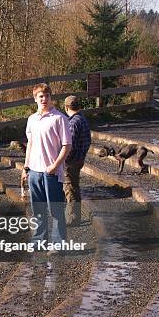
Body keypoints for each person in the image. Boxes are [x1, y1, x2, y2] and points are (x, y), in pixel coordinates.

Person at [21, 83, 71, 252]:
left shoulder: (59, 118)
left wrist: (55, 166)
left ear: (51, 98)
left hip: (51, 172)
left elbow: (66, 145)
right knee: (38, 210)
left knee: (56, 210)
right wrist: (26, 167)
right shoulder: (31, 119)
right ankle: (39, 241)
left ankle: (58, 244)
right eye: (40, 96)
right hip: (34, 171)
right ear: (35, 98)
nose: (44, 99)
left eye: (47, 96)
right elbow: (30, 144)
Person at [63, 95, 91, 226]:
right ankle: (74, 216)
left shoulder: (73, 122)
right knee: (74, 186)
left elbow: (71, 145)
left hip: (71, 161)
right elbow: (87, 141)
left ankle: (73, 218)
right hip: (80, 158)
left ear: (66, 107)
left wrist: (63, 160)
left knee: (70, 188)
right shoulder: (83, 119)